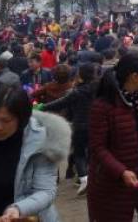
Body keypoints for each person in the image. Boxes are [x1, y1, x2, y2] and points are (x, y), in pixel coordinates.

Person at [88, 53, 138, 222]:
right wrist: (121, 171)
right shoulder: (103, 105)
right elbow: (98, 147)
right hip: (114, 180)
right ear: (134, 76)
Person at [0, 85, 71, 222]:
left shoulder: (42, 141)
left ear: (21, 118)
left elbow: (46, 191)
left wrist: (18, 209)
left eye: (6, 121)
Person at [42, 62, 98, 195]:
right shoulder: (98, 89)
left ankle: (84, 178)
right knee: (92, 152)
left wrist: (42, 107)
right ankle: (91, 178)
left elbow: (61, 103)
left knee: (79, 153)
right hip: (95, 124)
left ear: (81, 75)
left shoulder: (77, 92)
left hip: (79, 125)